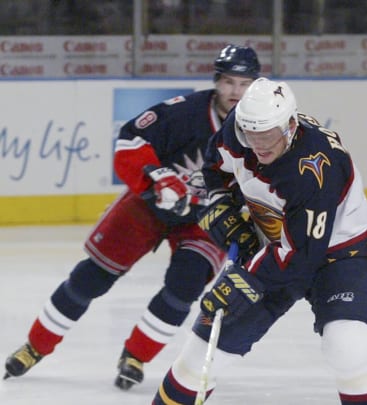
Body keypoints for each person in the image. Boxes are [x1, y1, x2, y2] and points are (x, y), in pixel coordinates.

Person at [3, 44, 261, 390]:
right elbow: (130, 139)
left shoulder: (261, 127)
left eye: (244, 84)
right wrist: (157, 176)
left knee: (184, 287)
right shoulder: (184, 113)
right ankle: (35, 346)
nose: (235, 91)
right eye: (229, 82)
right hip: (148, 204)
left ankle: (136, 356)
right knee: (91, 277)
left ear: (256, 85)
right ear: (216, 81)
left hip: (205, 219)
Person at [151, 78, 367, 404]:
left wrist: (244, 278)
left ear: (290, 125)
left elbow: (300, 257)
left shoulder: (313, 170)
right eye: (252, 134)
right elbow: (215, 168)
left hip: (340, 255)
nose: (259, 144)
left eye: (267, 135)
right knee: (200, 351)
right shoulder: (239, 128)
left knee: (350, 345)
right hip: (274, 249)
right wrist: (221, 202)